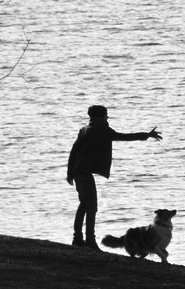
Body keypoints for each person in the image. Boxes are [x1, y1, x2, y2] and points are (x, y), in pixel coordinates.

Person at [66, 104, 162, 249]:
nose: (108, 117)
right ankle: (89, 241)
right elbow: (124, 137)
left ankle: (78, 238)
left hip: (78, 171)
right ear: (102, 116)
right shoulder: (102, 129)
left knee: (84, 204)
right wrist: (147, 135)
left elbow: (74, 151)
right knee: (91, 206)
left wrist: (69, 173)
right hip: (84, 173)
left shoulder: (85, 129)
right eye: (106, 115)